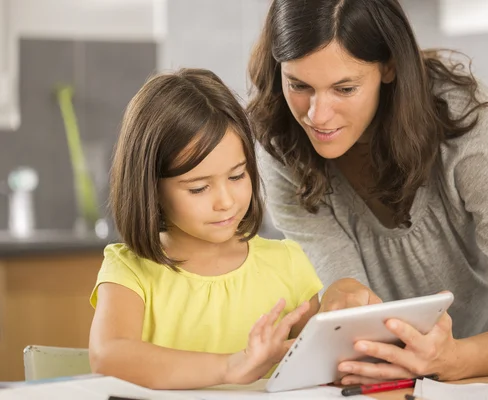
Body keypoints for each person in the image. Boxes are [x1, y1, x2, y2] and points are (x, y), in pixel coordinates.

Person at [247, 0, 488, 384]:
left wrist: (452, 358)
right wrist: (339, 311)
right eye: (299, 85)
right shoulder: (281, 146)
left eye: (344, 88)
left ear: (389, 66)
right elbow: (350, 303)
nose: (317, 115)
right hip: (418, 370)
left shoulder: (470, 126)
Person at [88, 68, 323, 389]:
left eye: (238, 176)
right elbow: (107, 355)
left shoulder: (289, 263)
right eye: (199, 188)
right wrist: (230, 367)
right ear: (151, 187)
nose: (225, 201)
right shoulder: (129, 270)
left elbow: (322, 366)